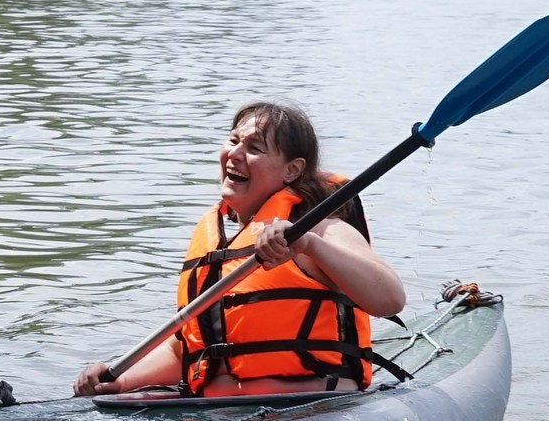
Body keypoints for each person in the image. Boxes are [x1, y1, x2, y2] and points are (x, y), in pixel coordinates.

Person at [75, 101, 406, 399]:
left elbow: (389, 299)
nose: (235, 154)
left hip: (310, 412)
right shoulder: (220, 242)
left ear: (292, 169)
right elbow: (190, 350)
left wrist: (308, 244)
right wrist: (121, 381)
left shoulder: (320, 229)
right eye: (233, 141)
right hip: (216, 417)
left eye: (255, 148)